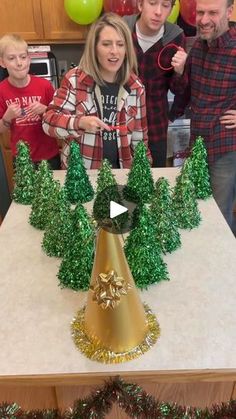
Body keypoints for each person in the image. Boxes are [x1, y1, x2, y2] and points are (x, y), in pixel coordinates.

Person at [42, 13, 151, 170]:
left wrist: (145, 169)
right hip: (82, 177)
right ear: (94, 48)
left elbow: (139, 139)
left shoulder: (136, 87)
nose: (114, 51)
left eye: (120, 44)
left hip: (121, 173)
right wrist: (79, 123)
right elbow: (48, 122)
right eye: (106, 44)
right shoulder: (75, 80)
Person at [171, 0, 236, 234]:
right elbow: (185, 93)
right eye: (200, 12)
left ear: (229, 12)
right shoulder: (197, 47)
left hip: (225, 149)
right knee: (194, 208)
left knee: (219, 215)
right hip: (196, 144)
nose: (204, 19)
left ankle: (227, 267)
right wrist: (179, 73)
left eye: (212, 13)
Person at [123, 0, 187, 167]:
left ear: (171, 9)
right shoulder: (121, 30)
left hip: (156, 127)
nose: (158, 12)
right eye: (152, 3)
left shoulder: (176, 37)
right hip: (121, 125)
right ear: (140, 5)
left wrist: (180, 71)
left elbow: (178, 89)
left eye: (165, 6)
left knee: (156, 181)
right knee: (121, 183)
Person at [0, 34, 61, 169]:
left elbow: (59, 120)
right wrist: (7, 117)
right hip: (22, 160)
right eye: (11, 58)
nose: (19, 62)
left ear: (29, 59)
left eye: (23, 57)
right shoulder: (1, 90)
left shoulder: (45, 86)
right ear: (2, 62)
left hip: (50, 156)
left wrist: (45, 110)